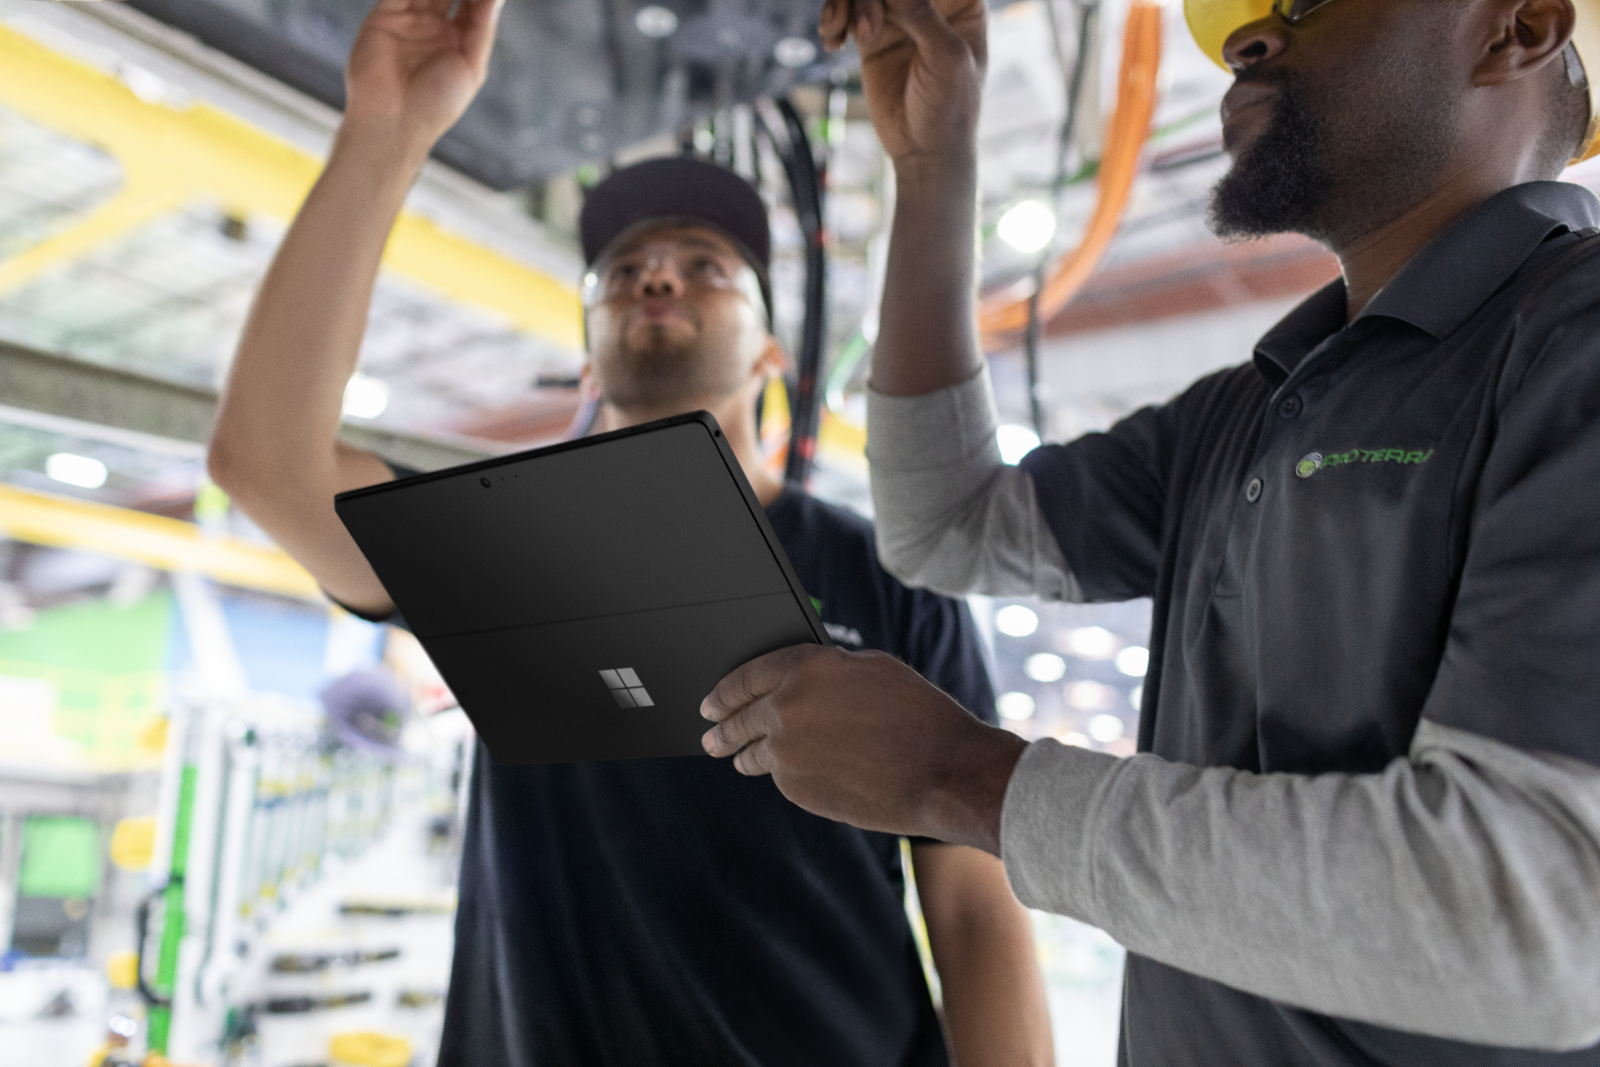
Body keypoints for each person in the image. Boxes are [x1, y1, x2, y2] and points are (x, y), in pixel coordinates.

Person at [700, 0, 1600, 1063]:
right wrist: (934, 165)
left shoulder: (1568, 345)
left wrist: (965, 775)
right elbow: (946, 523)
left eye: (1305, 3)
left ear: (1520, 28)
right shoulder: (1247, 409)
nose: (1246, 38)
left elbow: (1541, 918)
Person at [207, 0, 1053, 1063]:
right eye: (620, 270)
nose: (655, 272)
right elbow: (267, 464)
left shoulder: (892, 569)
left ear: (768, 358)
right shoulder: (511, 549)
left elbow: (973, 907)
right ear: (590, 354)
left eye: (707, 265)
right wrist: (386, 126)